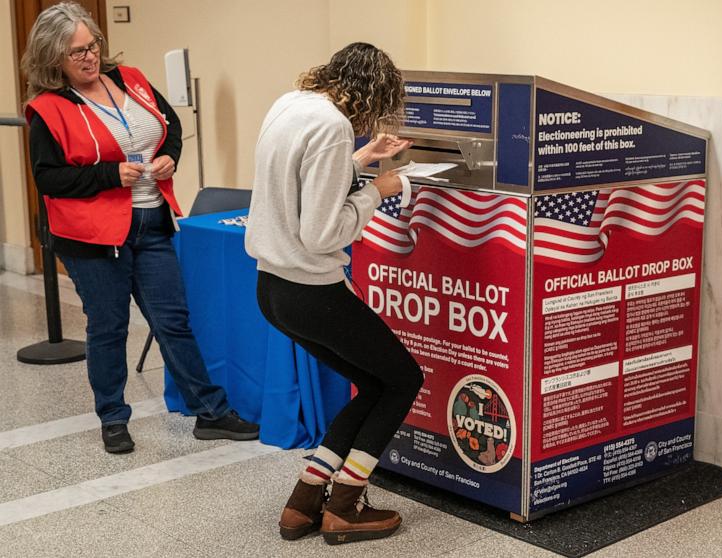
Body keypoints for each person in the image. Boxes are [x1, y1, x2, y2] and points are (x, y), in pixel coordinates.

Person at [22, 1, 259, 454]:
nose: (89, 57)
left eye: (92, 46)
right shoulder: (48, 110)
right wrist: (109, 175)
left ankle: (209, 412)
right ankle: (113, 418)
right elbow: (47, 178)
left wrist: (172, 155)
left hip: (153, 221)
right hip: (93, 236)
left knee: (173, 321)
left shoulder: (130, 79)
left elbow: (167, 127)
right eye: (77, 53)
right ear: (54, 58)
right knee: (108, 327)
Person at [246, 42, 423, 545]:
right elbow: (323, 232)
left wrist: (362, 157)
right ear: (370, 93)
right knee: (403, 379)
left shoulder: (291, 103)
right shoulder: (332, 125)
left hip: (272, 287)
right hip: (312, 291)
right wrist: (377, 190)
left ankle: (305, 502)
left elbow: (300, 182)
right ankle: (346, 505)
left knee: (374, 383)